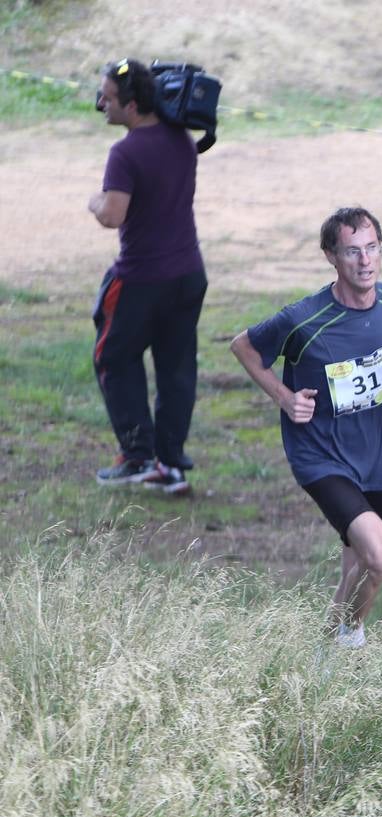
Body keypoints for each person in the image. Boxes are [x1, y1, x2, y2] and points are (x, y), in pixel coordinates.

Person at [230, 207, 382, 648]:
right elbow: (245, 347)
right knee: (380, 554)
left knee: (358, 566)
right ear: (332, 256)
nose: (365, 261)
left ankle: (325, 655)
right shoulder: (304, 319)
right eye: (352, 251)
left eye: (372, 249)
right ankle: (347, 638)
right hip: (322, 457)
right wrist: (284, 397)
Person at [89, 58, 209, 494]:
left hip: (141, 278)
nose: (100, 102)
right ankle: (170, 464)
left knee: (114, 358)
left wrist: (94, 201)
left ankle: (137, 455)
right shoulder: (181, 140)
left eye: (108, 96)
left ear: (133, 104)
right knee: (176, 368)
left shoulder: (126, 151)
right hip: (188, 274)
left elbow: (112, 215)